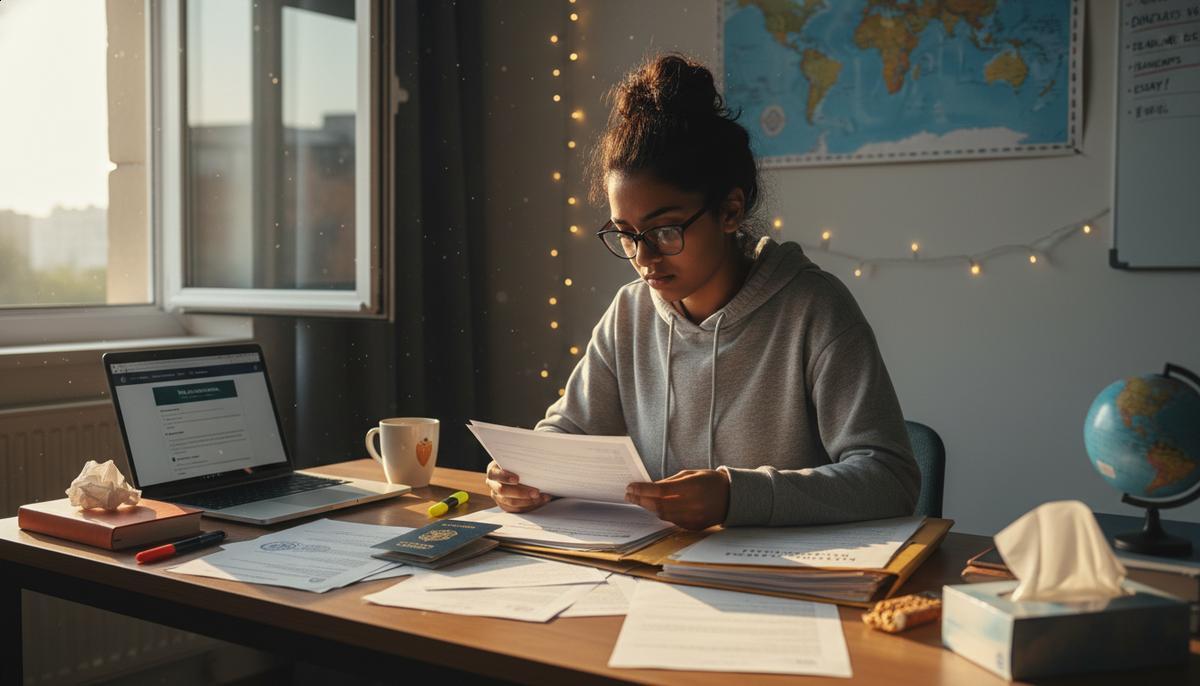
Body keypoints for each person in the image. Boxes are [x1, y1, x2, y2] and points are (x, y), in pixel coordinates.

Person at [485, 53, 919, 530]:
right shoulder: (630, 313)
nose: (644, 258)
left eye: (666, 230)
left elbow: (890, 478)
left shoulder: (813, 309)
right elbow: (567, 432)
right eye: (626, 233)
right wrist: (524, 474)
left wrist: (737, 496)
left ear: (730, 211)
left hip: (779, 583)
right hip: (655, 572)